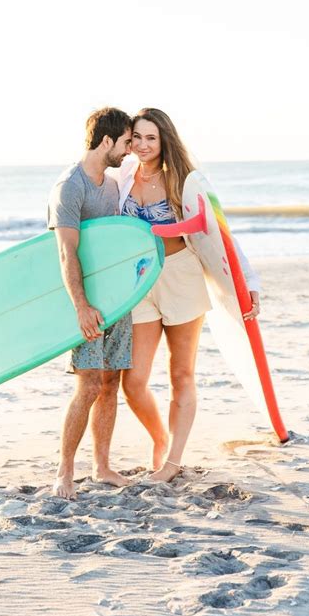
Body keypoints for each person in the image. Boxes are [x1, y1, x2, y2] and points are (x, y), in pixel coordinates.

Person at [111, 108, 260, 483]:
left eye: (151, 138)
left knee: (181, 373)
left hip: (182, 277)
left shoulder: (185, 181)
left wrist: (248, 281)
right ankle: (161, 438)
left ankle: (173, 461)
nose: (143, 145)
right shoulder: (123, 176)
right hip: (141, 280)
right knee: (134, 381)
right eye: (138, 137)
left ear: (164, 141)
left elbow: (218, 231)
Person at [47, 107, 133, 500]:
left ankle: (101, 466)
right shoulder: (70, 186)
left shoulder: (114, 184)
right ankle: (65, 471)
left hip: (118, 301)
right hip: (86, 303)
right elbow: (67, 253)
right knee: (89, 384)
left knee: (111, 383)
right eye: (127, 142)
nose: (130, 150)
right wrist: (81, 306)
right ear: (107, 141)